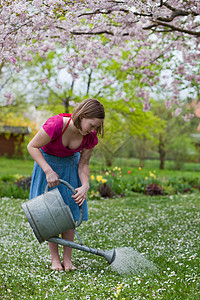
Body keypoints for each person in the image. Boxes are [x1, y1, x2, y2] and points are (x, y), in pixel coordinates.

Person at [27, 98, 105, 271]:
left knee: (69, 212)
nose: (94, 130)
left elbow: (84, 164)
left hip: (71, 167)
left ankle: (67, 259)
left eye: (96, 127)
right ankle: (55, 259)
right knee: (51, 214)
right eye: (92, 125)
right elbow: (32, 146)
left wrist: (85, 185)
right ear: (82, 116)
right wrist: (48, 171)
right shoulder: (55, 124)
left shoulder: (89, 137)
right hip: (47, 166)